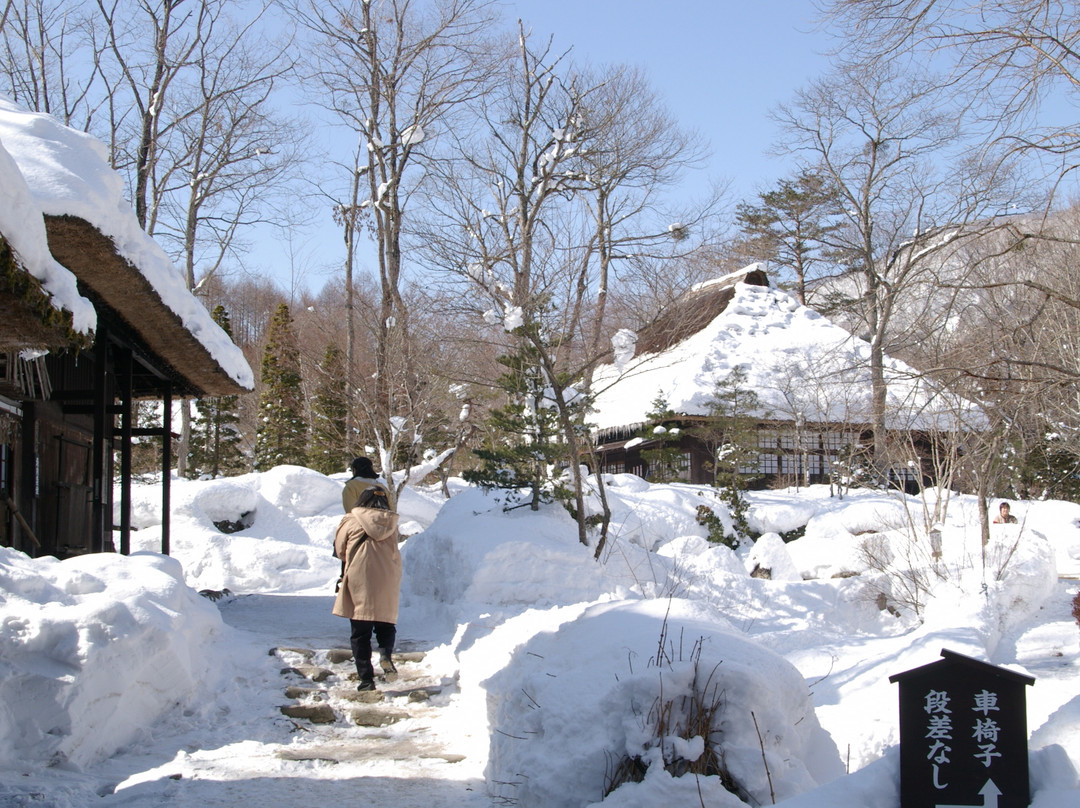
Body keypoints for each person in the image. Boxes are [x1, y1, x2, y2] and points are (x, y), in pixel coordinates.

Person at [333, 486, 402, 691]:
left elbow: (340, 550)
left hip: (360, 575)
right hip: (388, 576)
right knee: (385, 622)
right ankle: (386, 654)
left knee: (360, 631)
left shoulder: (351, 519)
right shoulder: (392, 522)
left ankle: (366, 680)